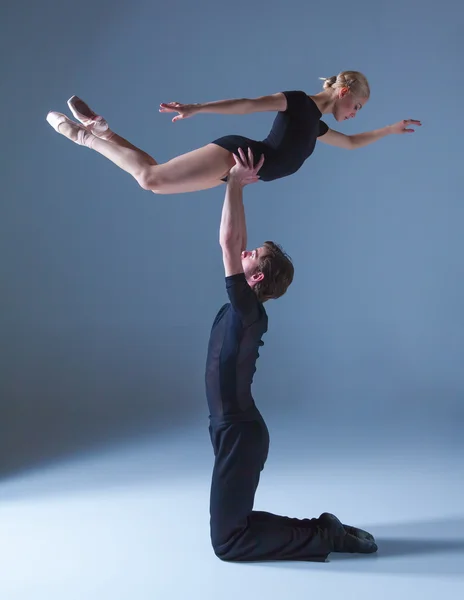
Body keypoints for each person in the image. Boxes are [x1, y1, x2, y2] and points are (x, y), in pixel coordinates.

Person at [205, 146, 378, 562]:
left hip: (240, 433)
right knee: (234, 526)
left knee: (227, 544)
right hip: (229, 429)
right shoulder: (242, 309)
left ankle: (324, 537)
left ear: (257, 275)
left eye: (254, 255)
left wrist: (235, 183)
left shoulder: (247, 310)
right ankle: (322, 529)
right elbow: (236, 245)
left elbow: (230, 242)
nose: (245, 253)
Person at [46, 71, 420, 195]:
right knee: (150, 179)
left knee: (154, 178)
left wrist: (391, 129)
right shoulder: (297, 102)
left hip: (235, 173)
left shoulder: (317, 127)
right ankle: (82, 135)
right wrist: (197, 107)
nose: (355, 115)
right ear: (343, 93)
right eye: (357, 107)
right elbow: (247, 103)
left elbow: (352, 144)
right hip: (236, 154)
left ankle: (102, 131)